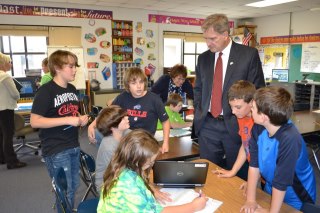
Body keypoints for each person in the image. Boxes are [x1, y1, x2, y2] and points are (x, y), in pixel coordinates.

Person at [193, 14, 265, 173]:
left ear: (225, 35)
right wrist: (200, 109)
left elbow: (258, 90)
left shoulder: (248, 55)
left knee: (239, 174)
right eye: (206, 38)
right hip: (208, 124)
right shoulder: (203, 58)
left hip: (237, 124)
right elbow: (198, 88)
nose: (208, 43)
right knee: (208, 173)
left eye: (212, 38)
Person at [241, 87, 316, 212]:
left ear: (264, 117)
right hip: (272, 187)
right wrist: (250, 200)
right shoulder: (258, 127)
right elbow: (254, 164)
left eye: (253, 108)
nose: (250, 110)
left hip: (296, 193)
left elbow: (281, 181)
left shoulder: (290, 138)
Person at [30, 50, 89, 211]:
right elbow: (35, 121)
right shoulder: (46, 91)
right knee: (65, 191)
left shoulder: (71, 88)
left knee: (73, 187)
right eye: (70, 66)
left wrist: (79, 118)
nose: (75, 70)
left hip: (73, 144)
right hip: (56, 148)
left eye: (75, 66)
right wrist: (68, 120)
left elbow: (70, 112)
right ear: (57, 68)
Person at [97, 129, 208, 212]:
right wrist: (193, 206)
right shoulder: (127, 184)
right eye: (150, 163)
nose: (152, 164)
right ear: (137, 161)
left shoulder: (124, 166)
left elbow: (138, 184)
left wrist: (150, 189)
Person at [88, 67, 170, 153]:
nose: (139, 86)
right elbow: (108, 111)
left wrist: (165, 143)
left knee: (113, 142)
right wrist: (92, 124)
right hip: (127, 135)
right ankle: (114, 159)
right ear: (128, 85)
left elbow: (165, 121)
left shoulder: (155, 99)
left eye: (141, 82)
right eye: (134, 83)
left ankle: (118, 157)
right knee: (98, 133)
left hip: (144, 139)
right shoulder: (124, 96)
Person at [214, 80, 255, 189]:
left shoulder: (260, 123)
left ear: (251, 102)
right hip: (259, 174)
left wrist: (252, 181)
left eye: (238, 107)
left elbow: (264, 158)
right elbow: (245, 145)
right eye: (231, 107)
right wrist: (233, 171)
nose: (233, 112)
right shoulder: (242, 117)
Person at [0, 52, 27, 170]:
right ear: (3, 63)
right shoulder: (5, 76)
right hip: (6, 109)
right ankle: (12, 161)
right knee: (8, 135)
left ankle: (2, 158)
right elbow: (15, 94)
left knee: (1, 135)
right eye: (9, 62)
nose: (10, 64)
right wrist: (17, 96)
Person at [95, 105, 130, 191]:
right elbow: (119, 175)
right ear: (112, 126)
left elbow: (138, 137)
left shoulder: (124, 132)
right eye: (123, 118)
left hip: (121, 176)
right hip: (108, 185)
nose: (127, 119)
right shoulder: (109, 146)